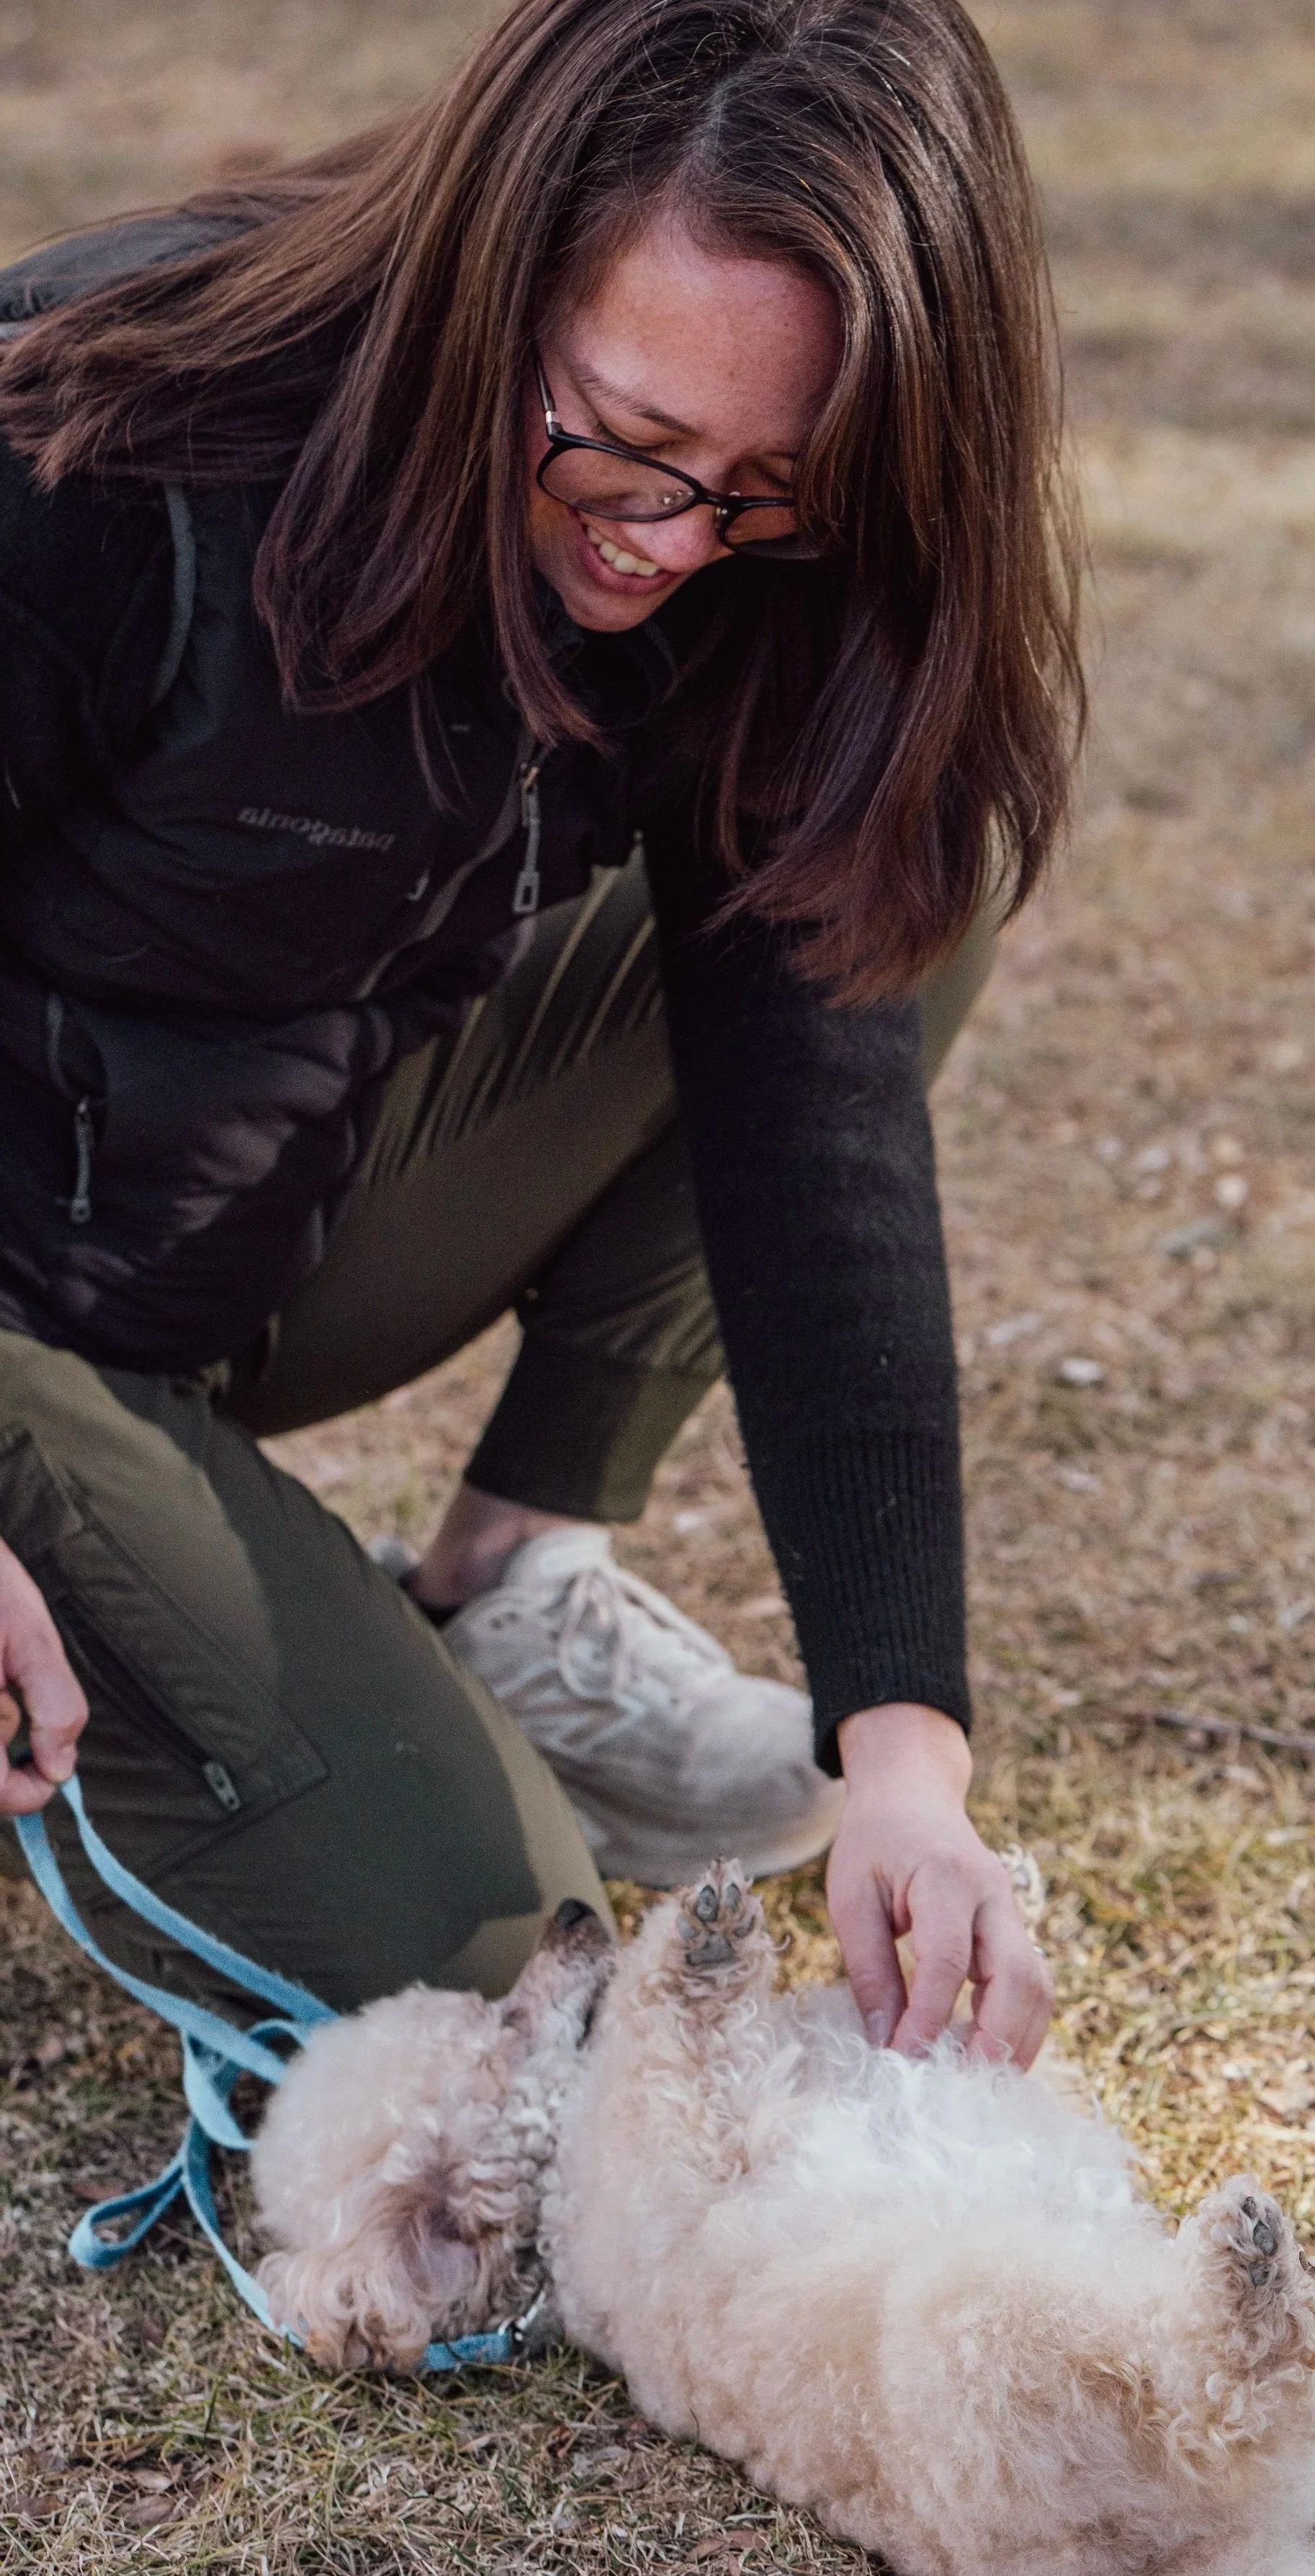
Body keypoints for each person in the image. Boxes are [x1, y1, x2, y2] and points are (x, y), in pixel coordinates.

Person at [0, 0, 1081, 2070]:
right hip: (22, 1308)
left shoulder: (769, 555)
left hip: (255, 1202)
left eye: (768, 494)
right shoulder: (101, 433)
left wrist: (907, 1752)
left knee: (868, 898)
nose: (669, 548)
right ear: (497, 269)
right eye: (622, 439)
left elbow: (811, 1121)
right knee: (503, 1967)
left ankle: (517, 1573)